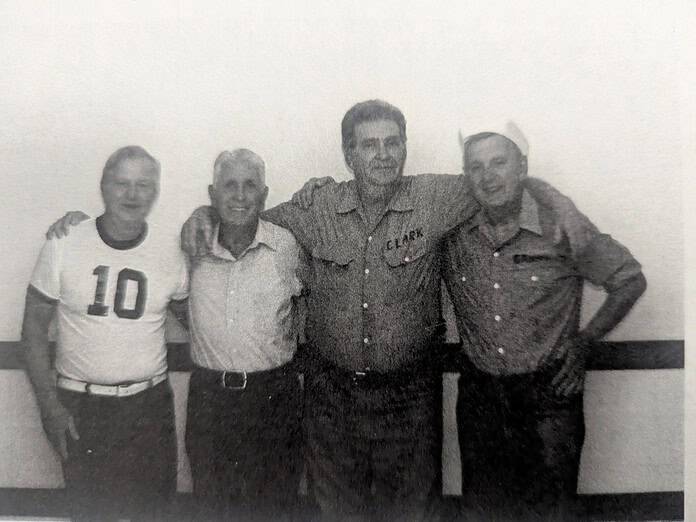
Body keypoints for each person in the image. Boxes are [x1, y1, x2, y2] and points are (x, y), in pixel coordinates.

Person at [181, 100, 568, 521]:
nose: (383, 155)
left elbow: (500, 180)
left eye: (392, 143)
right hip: (332, 400)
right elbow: (244, 214)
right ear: (349, 154)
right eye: (369, 145)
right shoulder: (316, 207)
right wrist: (202, 212)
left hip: (410, 398)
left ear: (405, 147)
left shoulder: (436, 198)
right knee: (339, 513)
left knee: (410, 513)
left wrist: (555, 200)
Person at [44, 149, 306, 521]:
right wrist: (79, 227)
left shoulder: (287, 247)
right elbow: (130, 245)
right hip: (211, 398)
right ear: (212, 194)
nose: (241, 195)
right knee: (212, 505)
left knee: (275, 506)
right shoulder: (189, 245)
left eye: (251, 186)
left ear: (264, 194)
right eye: (230, 186)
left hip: (274, 396)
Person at [442, 125, 647, 521]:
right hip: (481, 398)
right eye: (476, 167)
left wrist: (586, 340)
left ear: (522, 167)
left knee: (553, 513)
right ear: (466, 176)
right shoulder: (452, 232)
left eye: (499, 162)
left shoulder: (560, 226)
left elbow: (628, 279)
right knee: (483, 513)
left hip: (549, 398)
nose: (488, 177)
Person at [22, 146, 189, 521]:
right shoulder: (65, 242)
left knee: (154, 515)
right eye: (122, 183)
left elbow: (195, 318)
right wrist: (49, 408)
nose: (132, 195)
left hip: (148, 407)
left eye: (143, 185)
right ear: (103, 186)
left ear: (156, 191)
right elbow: (32, 331)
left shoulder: (171, 249)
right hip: (83, 407)